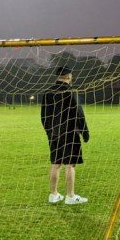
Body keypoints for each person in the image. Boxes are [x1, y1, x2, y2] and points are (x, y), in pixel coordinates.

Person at [41, 66, 89, 205]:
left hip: (54, 134)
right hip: (69, 133)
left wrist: (49, 132)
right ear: (68, 77)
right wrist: (85, 132)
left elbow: (44, 116)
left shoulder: (48, 92)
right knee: (70, 164)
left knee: (56, 163)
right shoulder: (70, 92)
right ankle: (70, 196)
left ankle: (54, 194)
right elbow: (79, 114)